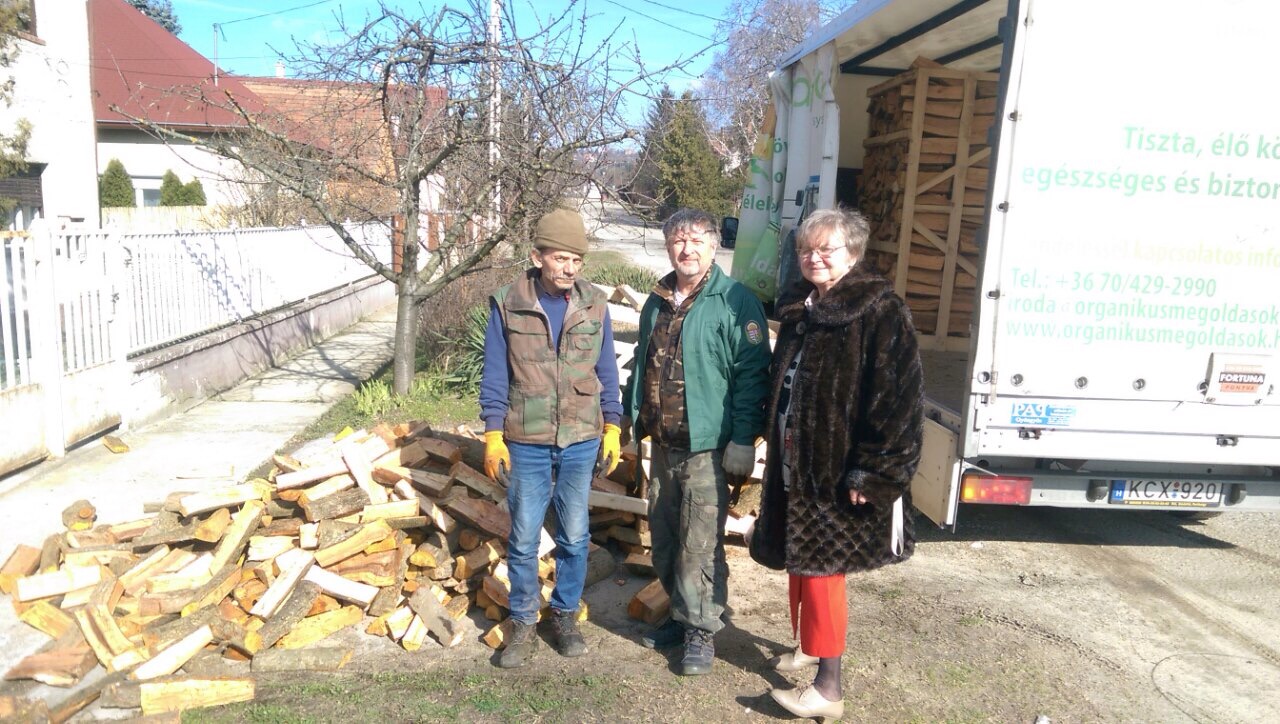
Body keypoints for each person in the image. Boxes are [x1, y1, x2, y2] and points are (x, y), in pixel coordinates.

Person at [750, 207, 924, 721]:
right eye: (807, 249)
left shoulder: (880, 310)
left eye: (826, 249)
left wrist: (876, 472)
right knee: (801, 560)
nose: (814, 257)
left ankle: (828, 687)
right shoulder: (803, 308)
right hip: (795, 462)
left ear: (853, 254)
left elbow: (899, 402)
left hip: (838, 472)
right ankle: (808, 646)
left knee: (824, 570)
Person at [622, 207, 771, 675]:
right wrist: (629, 420)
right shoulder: (657, 300)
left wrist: (743, 439)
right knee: (666, 538)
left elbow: (752, 375)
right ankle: (680, 613)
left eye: (695, 241)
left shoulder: (735, 302)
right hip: (664, 445)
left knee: (699, 544)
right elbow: (643, 363)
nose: (686, 249)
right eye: (677, 241)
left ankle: (701, 630)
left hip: (707, 447)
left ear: (713, 245)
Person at [479, 207, 624, 669]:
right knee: (524, 537)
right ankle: (523, 620)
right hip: (527, 439)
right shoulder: (507, 303)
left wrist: (613, 425)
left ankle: (564, 615)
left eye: (576, 260)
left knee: (575, 535)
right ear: (537, 256)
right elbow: (495, 375)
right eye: (561, 258)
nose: (569, 268)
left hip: (581, 438)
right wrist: (493, 434)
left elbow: (606, 371)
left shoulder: (594, 304)